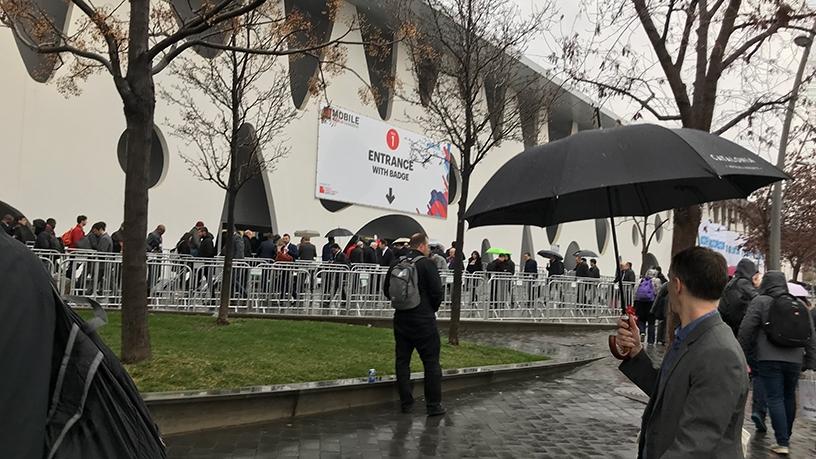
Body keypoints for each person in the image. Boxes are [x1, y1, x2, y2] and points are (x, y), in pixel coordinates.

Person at [614, 246, 748, 458]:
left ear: (676, 286)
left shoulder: (719, 352)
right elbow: (671, 394)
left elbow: (695, 446)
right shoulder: (691, 335)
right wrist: (636, 352)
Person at [738, 271, 816, 455]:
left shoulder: (761, 301)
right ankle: (785, 436)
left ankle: (782, 441)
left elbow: (746, 328)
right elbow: (811, 335)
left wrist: (739, 351)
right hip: (796, 359)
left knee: (775, 397)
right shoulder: (800, 304)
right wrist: (811, 360)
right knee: (789, 396)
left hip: (768, 356)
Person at [383, 233, 445, 416]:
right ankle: (433, 405)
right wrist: (429, 309)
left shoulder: (396, 263)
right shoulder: (427, 264)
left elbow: (387, 290)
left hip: (401, 318)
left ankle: (406, 403)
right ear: (422, 246)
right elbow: (437, 293)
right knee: (431, 362)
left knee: (402, 361)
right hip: (423, 319)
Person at [719, 258, 760, 337]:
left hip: (726, 323)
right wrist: (758, 286)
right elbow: (758, 299)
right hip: (736, 326)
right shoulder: (743, 283)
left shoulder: (732, 282)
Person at [634, 269, 662, 345]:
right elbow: (658, 292)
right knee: (651, 322)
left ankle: (642, 332)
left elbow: (635, 291)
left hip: (640, 303)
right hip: (651, 303)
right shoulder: (656, 281)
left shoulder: (641, 280)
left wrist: (635, 303)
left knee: (641, 319)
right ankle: (650, 341)